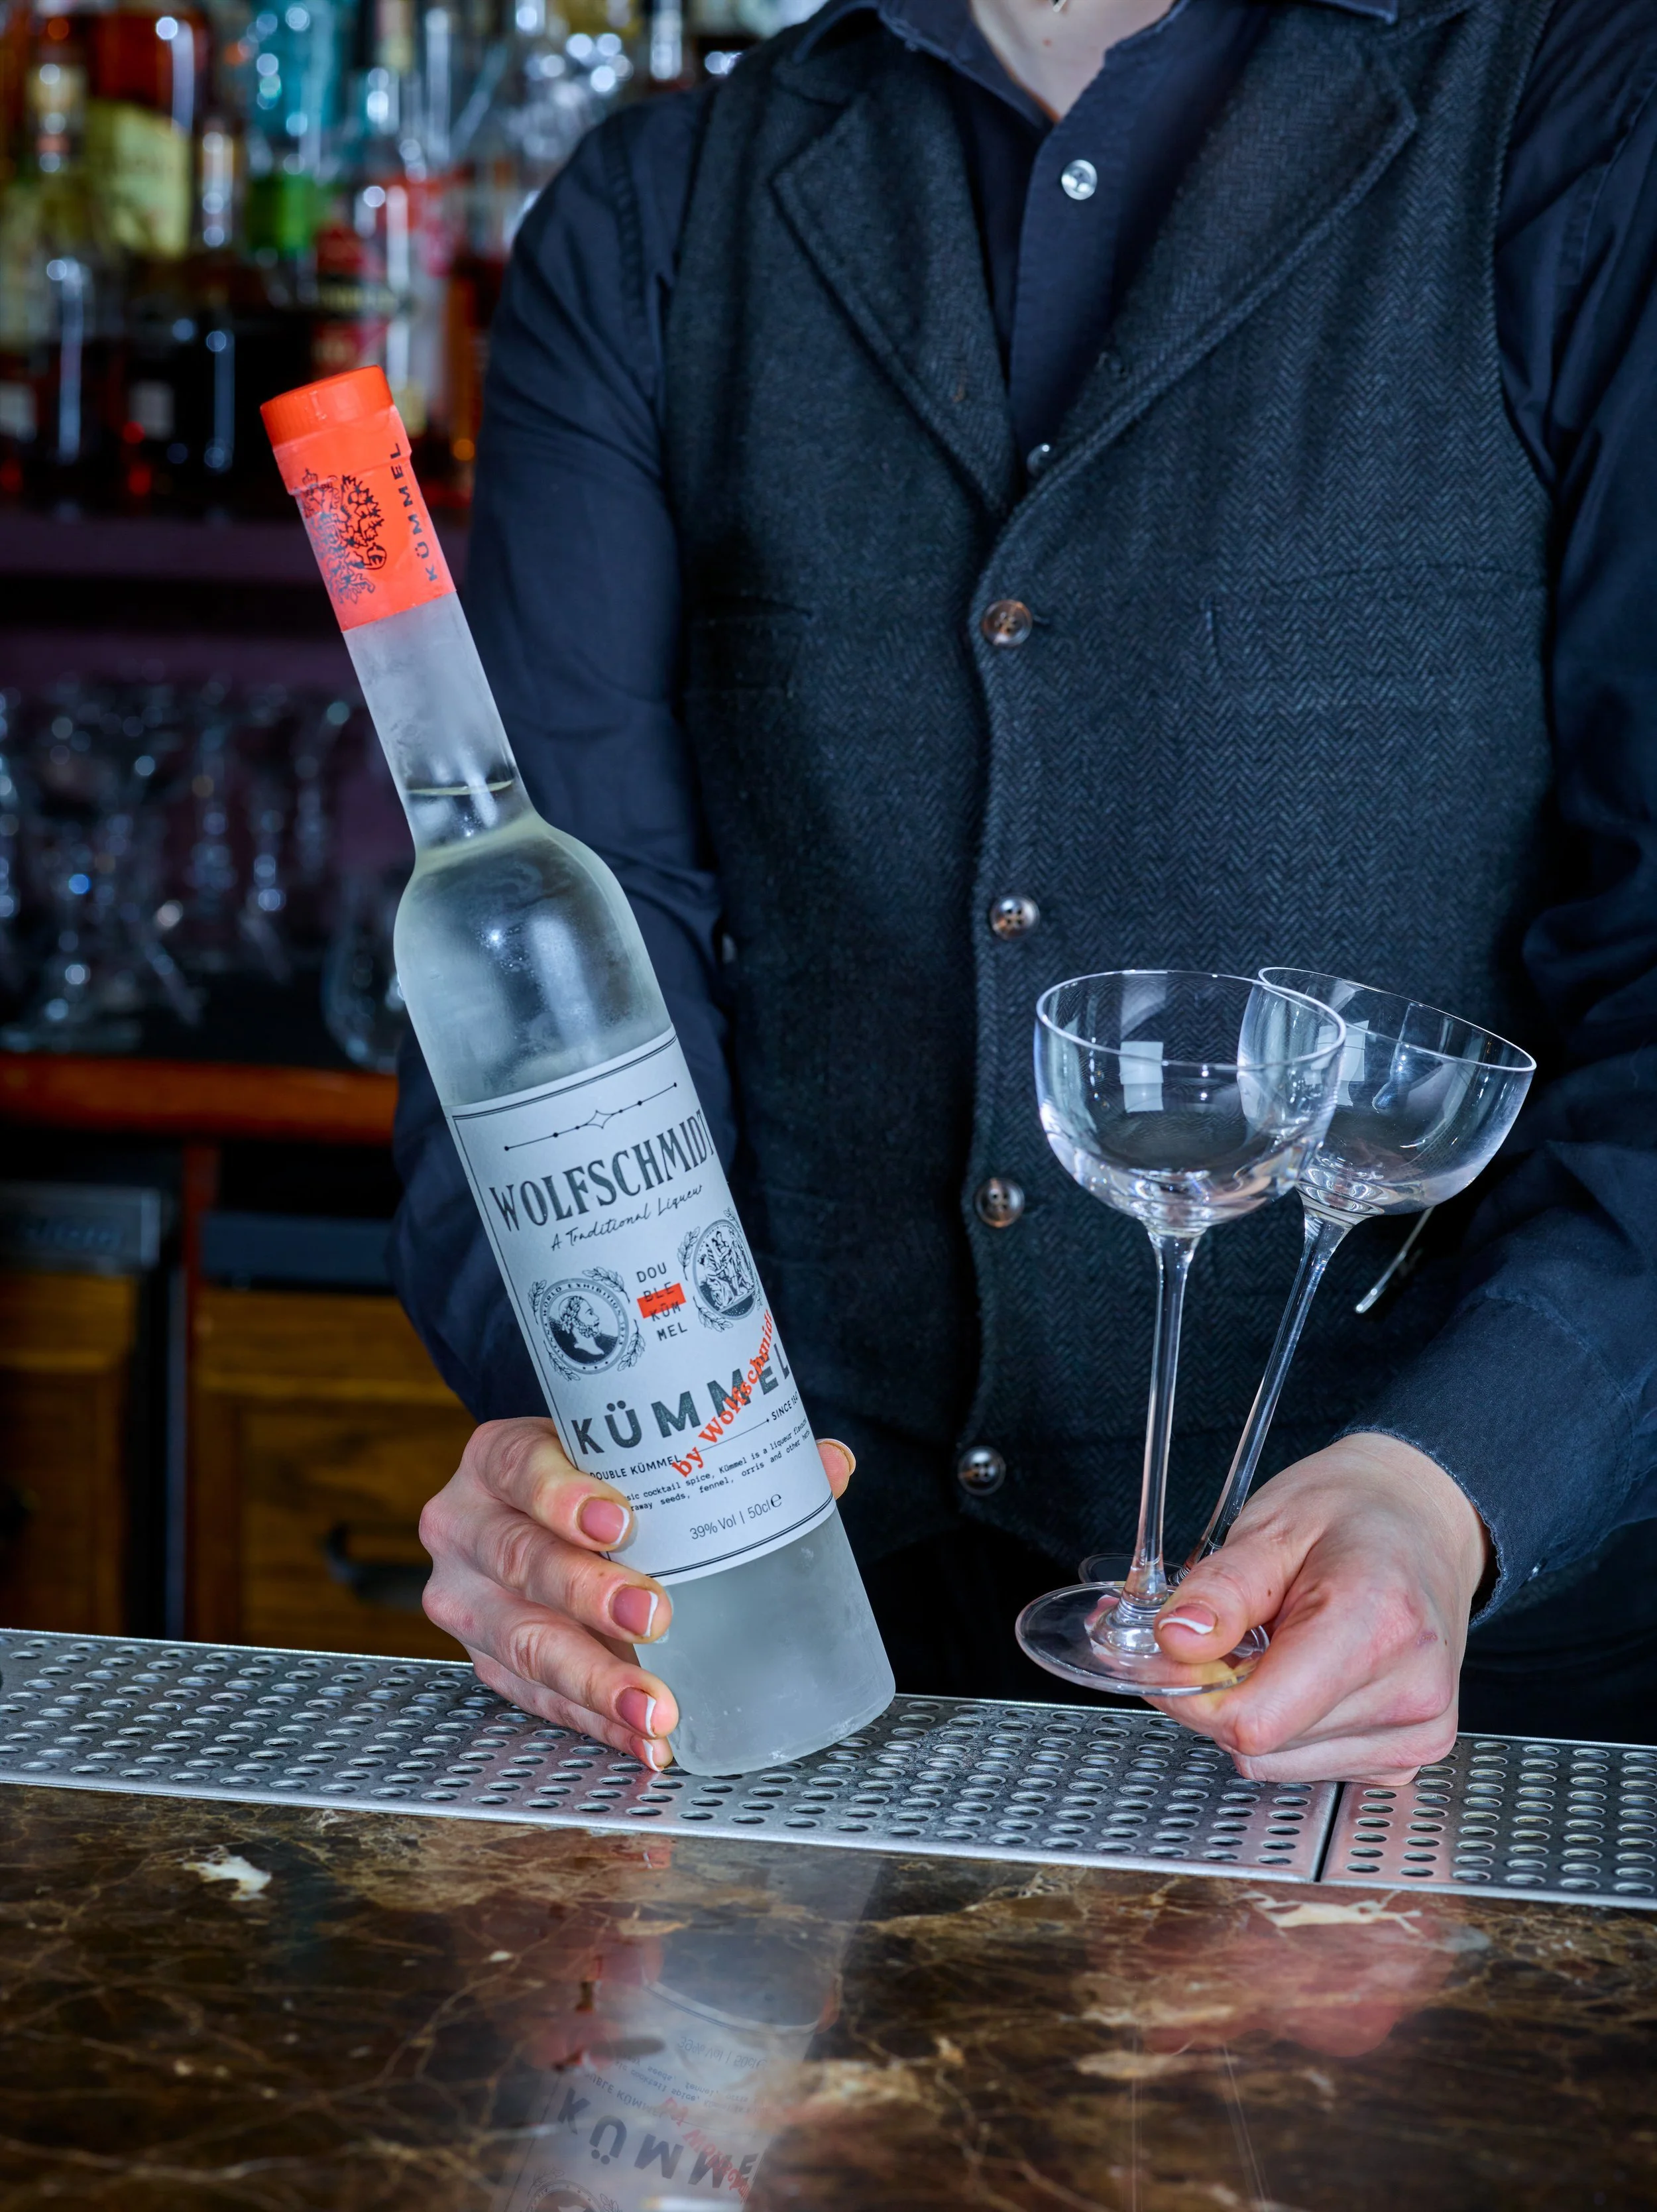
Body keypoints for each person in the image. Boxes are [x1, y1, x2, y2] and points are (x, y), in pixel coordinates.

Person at [392, 0, 1657, 1782]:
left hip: (1469, 1720)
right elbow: (540, 998)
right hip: (793, 1697)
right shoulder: (658, 214)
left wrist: (1454, 1476)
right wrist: (572, 1460)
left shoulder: (1591, 120)